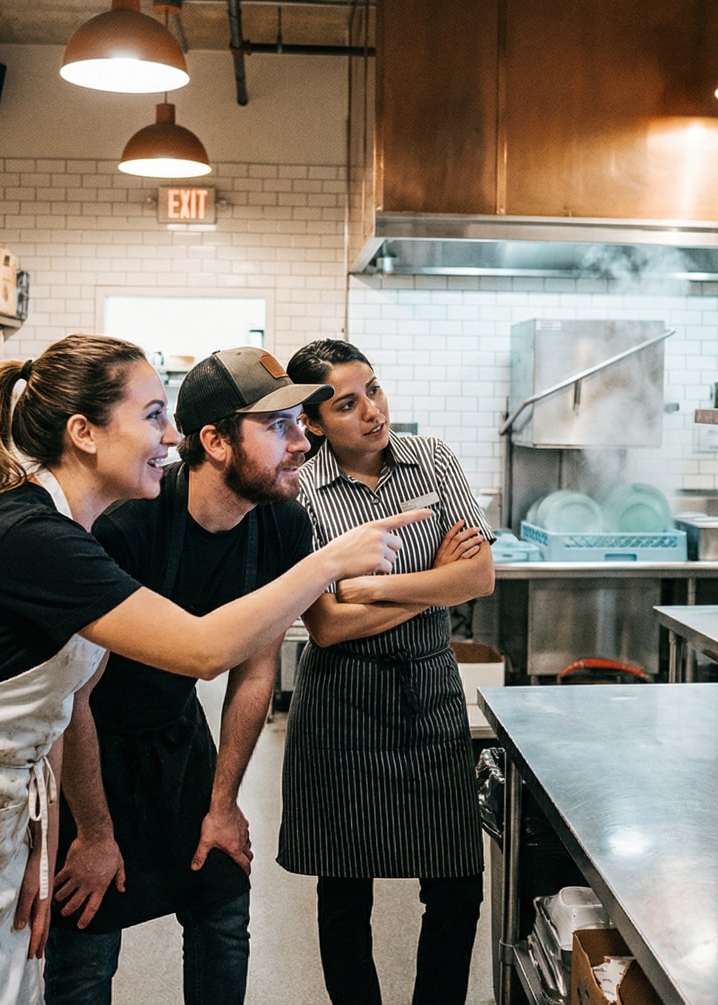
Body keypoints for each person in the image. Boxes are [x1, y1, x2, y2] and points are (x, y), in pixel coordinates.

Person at [0, 334, 428, 1005]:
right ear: (84, 433)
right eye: (153, 415)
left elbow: (61, 705)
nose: (171, 437)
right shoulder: (41, 539)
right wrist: (326, 563)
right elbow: (202, 649)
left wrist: (40, 836)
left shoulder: (61, 527)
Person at [44, 347, 331, 1005]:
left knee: (223, 907)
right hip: (90, 748)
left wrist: (223, 801)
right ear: (215, 441)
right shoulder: (129, 526)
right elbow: (72, 697)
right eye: (279, 426)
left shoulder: (282, 524)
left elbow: (256, 667)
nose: (302, 441)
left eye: (300, 422)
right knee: (86, 940)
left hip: (179, 736)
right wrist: (92, 832)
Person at [277, 340, 495, 1005]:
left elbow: (480, 576)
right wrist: (436, 583)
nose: (372, 411)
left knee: (458, 880)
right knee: (343, 887)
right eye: (346, 403)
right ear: (312, 422)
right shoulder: (302, 489)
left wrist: (373, 589)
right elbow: (328, 625)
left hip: (429, 689)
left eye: (372, 389)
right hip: (343, 695)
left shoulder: (433, 460)